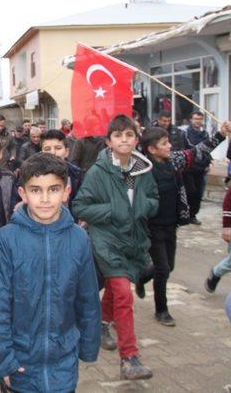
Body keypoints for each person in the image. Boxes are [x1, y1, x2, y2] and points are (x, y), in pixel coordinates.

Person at [0, 152, 100, 392]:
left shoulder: (79, 238)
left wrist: (87, 346)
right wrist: (3, 361)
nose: (45, 199)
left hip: (64, 360)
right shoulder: (6, 239)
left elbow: (87, 298)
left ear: (66, 191)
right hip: (20, 363)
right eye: (36, 190)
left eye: (53, 190)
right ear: (23, 194)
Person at [73, 114, 158, 380]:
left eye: (129, 135)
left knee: (114, 287)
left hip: (132, 239)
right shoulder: (99, 171)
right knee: (123, 292)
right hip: (106, 239)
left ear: (136, 138)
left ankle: (100, 323)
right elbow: (80, 206)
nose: (124, 140)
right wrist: (112, 209)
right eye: (118, 135)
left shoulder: (142, 170)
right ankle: (129, 358)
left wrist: (142, 206)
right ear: (109, 141)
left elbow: (153, 200)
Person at [137, 125, 229, 325]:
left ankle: (143, 276)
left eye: (168, 141)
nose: (170, 145)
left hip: (171, 225)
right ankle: (161, 310)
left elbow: (198, 151)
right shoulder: (141, 169)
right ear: (152, 149)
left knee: (169, 266)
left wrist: (221, 134)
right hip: (151, 228)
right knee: (162, 269)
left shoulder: (174, 161)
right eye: (164, 143)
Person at [40, 129, 83, 213]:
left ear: (66, 152)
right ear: (41, 152)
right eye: (47, 149)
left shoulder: (76, 174)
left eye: (58, 148)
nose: (53, 153)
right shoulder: (31, 174)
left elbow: (82, 200)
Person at [184, 111, 211, 225]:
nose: (198, 121)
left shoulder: (205, 134)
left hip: (202, 169)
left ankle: (193, 215)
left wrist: (208, 164)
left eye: (200, 119)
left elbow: (209, 150)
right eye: (196, 119)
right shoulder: (185, 133)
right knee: (190, 192)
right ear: (191, 119)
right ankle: (185, 214)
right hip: (189, 169)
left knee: (199, 194)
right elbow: (187, 149)